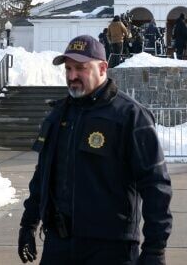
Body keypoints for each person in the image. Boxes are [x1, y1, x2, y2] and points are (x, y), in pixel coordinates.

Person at [18, 35, 172, 265]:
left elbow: (156, 186)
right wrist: (28, 224)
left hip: (110, 249)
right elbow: (43, 175)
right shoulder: (58, 115)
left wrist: (155, 250)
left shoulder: (130, 116)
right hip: (58, 244)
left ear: (102, 68)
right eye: (68, 68)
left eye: (80, 68)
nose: (72, 76)